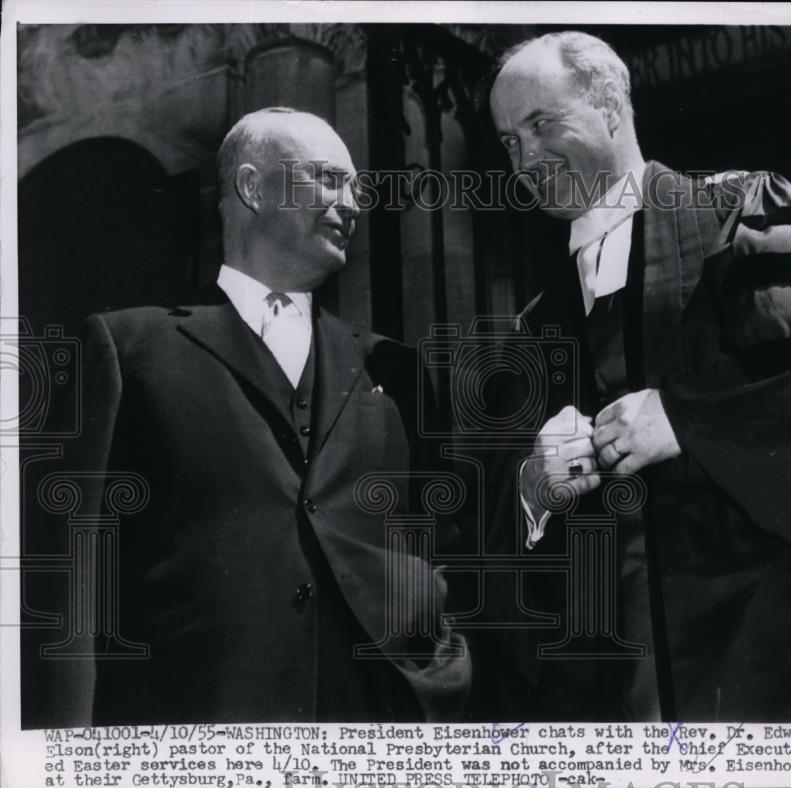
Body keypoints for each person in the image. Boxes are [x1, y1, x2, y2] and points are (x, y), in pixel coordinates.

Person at [479, 31, 791, 723]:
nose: (527, 158)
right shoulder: (536, 325)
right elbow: (491, 566)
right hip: (629, 702)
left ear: (610, 106)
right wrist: (531, 491)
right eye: (510, 142)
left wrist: (689, 420)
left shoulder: (738, 213)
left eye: (542, 123)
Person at [30, 107, 469, 726]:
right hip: (194, 731)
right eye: (328, 179)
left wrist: (441, 671)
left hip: (370, 734)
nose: (352, 204)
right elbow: (71, 576)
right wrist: (63, 759)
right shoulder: (126, 347)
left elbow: (444, 549)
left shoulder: (389, 369)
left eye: (357, 189)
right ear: (252, 187)